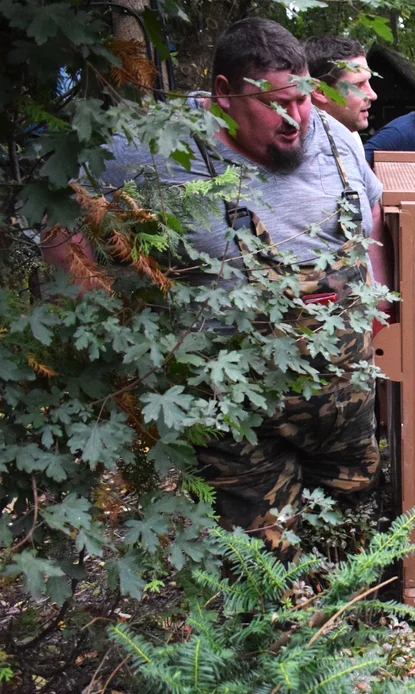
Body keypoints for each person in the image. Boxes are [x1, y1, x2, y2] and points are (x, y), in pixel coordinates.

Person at [44, 18, 390, 552]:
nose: (295, 119)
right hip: (235, 419)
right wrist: (102, 312)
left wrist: (375, 306)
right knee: (261, 565)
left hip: (344, 406)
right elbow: (56, 206)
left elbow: (371, 207)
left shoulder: (337, 136)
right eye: (273, 103)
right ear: (224, 95)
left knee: (352, 544)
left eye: (301, 98)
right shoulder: (157, 147)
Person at [304, 35, 379, 153]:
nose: (372, 95)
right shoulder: (310, 154)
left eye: (368, 82)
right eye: (358, 85)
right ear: (320, 91)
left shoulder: (350, 135)